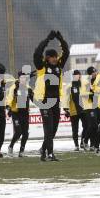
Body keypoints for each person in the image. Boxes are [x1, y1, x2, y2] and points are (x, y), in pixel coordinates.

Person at [33, 30, 69, 162]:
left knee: (53, 129)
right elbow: (37, 53)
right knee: (48, 128)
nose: (55, 58)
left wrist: (61, 39)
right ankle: (50, 154)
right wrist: (47, 40)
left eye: (55, 56)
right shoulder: (41, 67)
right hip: (44, 101)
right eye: (52, 56)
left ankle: (43, 150)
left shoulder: (59, 66)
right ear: (47, 58)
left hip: (55, 101)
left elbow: (66, 52)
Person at [7, 70, 34, 157]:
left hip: (25, 113)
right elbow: (10, 97)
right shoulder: (14, 87)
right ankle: (11, 146)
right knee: (18, 132)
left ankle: (21, 151)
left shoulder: (28, 88)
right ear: (18, 78)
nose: (23, 79)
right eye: (21, 77)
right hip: (16, 113)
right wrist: (8, 106)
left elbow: (33, 98)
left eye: (24, 78)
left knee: (25, 133)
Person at [64, 70, 89, 151]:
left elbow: (88, 94)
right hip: (73, 110)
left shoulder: (84, 84)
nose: (77, 76)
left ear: (80, 75)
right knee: (75, 129)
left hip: (83, 109)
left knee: (86, 126)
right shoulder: (69, 86)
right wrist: (66, 109)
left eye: (78, 75)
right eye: (75, 75)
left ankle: (82, 142)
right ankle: (76, 145)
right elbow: (66, 98)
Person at [84, 66, 98, 151]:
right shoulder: (86, 82)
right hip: (89, 106)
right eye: (93, 72)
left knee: (95, 126)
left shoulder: (98, 81)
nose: (95, 73)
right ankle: (85, 140)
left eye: (95, 72)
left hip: (97, 106)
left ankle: (92, 145)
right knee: (93, 125)